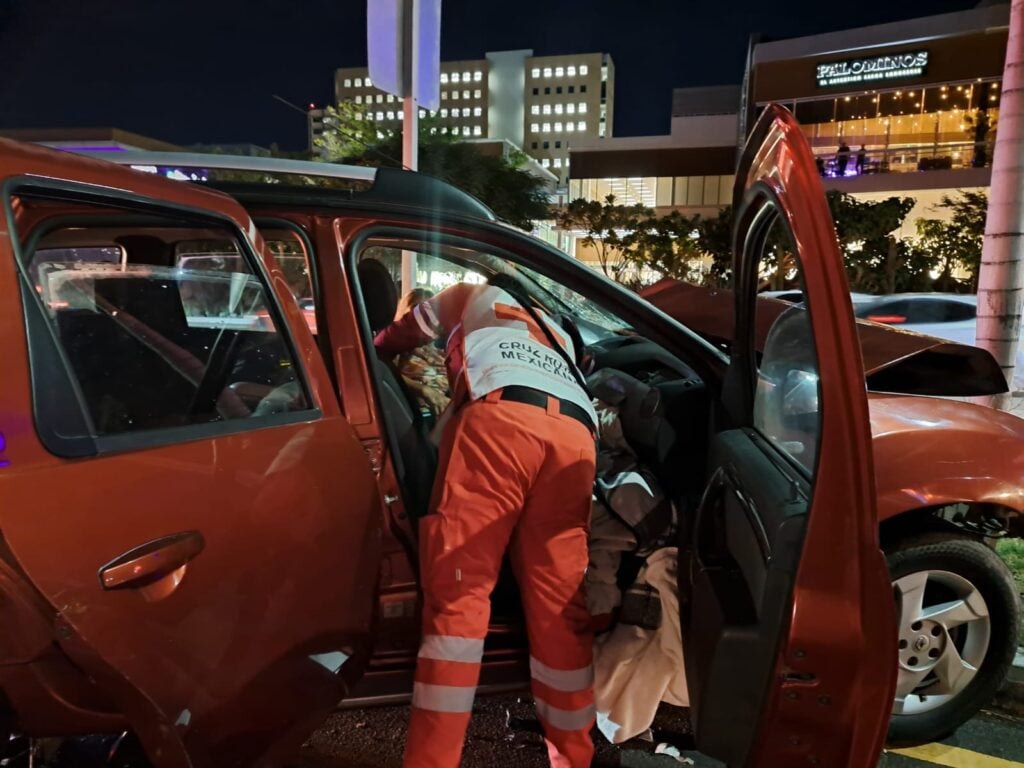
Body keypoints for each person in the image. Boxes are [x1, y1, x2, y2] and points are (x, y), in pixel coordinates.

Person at [374, 279, 599, 768]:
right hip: (575, 437)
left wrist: (370, 346)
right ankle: (574, 758)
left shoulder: (468, 294)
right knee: (560, 610)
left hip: (500, 423)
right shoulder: (554, 327)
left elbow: (404, 334)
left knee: (459, 607)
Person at [393, 288, 450, 416]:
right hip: (415, 414)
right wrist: (425, 391)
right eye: (415, 308)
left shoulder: (444, 342)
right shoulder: (396, 343)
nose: (422, 315)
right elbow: (386, 373)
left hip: (446, 411)